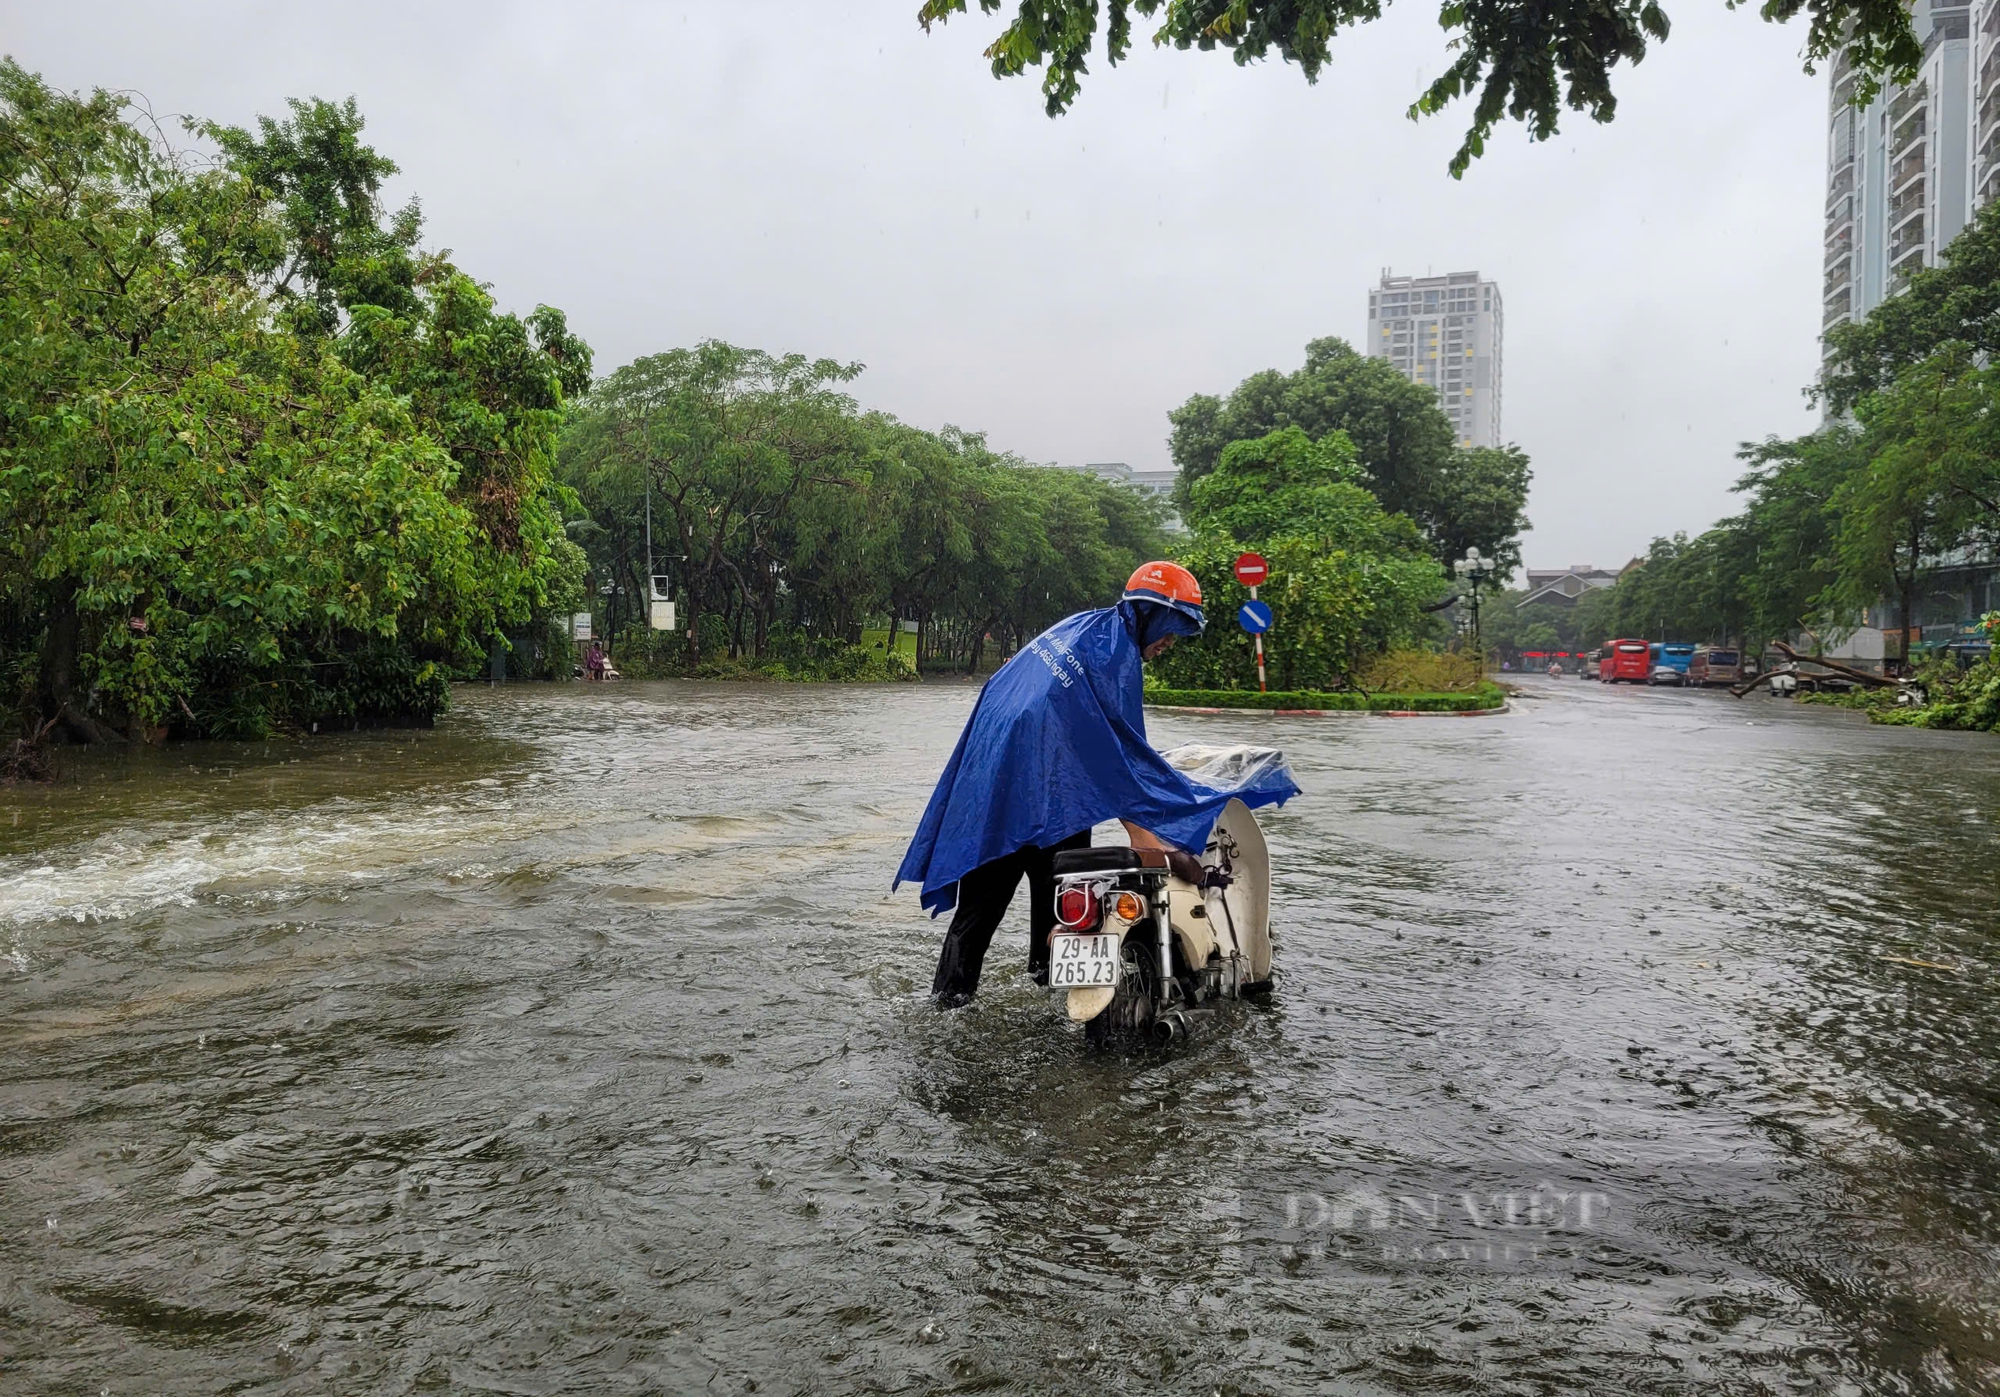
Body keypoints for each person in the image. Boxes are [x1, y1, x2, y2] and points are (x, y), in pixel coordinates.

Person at [895, 561, 1299, 1005]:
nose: (1170, 642)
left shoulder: (1078, 627)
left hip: (1003, 797)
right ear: (1150, 614)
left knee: (986, 917)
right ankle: (1047, 996)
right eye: (1171, 628)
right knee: (1048, 916)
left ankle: (949, 1008)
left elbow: (1066, 730)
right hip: (1037, 803)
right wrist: (1149, 840)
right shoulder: (1116, 659)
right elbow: (1118, 763)